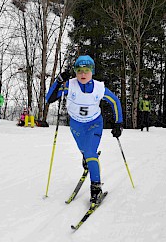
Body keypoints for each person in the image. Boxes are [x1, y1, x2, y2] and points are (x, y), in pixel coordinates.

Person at [46, 55, 123, 205]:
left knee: (90, 152)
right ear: (75, 71)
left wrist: (118, 123)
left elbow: (115, 101)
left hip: (94, 123)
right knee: (84, 149)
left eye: (86, 71)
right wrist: (58, 81)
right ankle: (86, 158)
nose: (82, 74)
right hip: (76, 125)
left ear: (92, 71)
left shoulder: (99, 88)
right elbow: (50, 99)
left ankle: (96, 188)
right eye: (79, 70)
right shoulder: (70, 85)